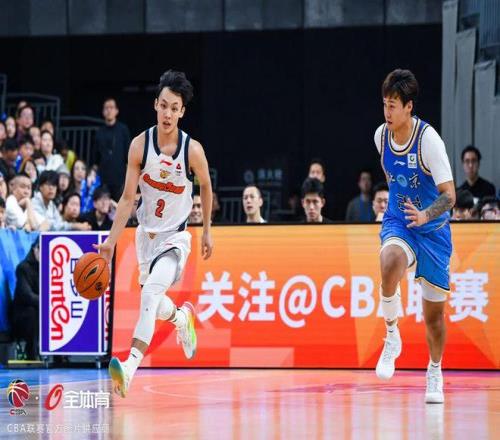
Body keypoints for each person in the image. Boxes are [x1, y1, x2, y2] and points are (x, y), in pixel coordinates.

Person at [93, 70, 213, 399]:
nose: (168, 114)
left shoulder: (192, 150)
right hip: (146, 237)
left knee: (148, 297)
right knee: (155, 302)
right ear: (155, 105)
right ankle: (181, 318)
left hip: (175, 239)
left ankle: (129, 368)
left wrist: (206, 231)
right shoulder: (139, 146)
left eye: (174, 108)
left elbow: (206, 185)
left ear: (182, 111)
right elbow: (127, 199)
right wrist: (110, 243)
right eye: (164, 106)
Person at [373, 69, 455, 404]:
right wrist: (407, 214)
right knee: (389, 261)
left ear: (409, 107)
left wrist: (425, 215)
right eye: (384, 104)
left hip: (433, 231)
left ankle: (435, 370)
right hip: (401, 221)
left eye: (393, 105)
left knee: (434, 318)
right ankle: (392, 334)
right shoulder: (381, 136)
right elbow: (393, 180)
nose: (387, 112)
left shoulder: (429, 140)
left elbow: (450, 196)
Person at [95, 98, 131, 201]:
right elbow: (96, 157)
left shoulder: (123, 130)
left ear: (116, 111)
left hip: (120, 178)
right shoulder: (99, 132)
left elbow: (128, 154)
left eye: (111, 107)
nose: (109, 110)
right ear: (103, 112)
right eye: (106, 108)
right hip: (104, 178)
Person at [9, 240, 40, 359]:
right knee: (33, 312)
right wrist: (47, 303)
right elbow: (27, 296)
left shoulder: (51, 268)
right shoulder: (23, 268)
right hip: (23, 314)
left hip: (40, 308)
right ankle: (31, 353)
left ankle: (61, 355)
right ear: (35, 249)